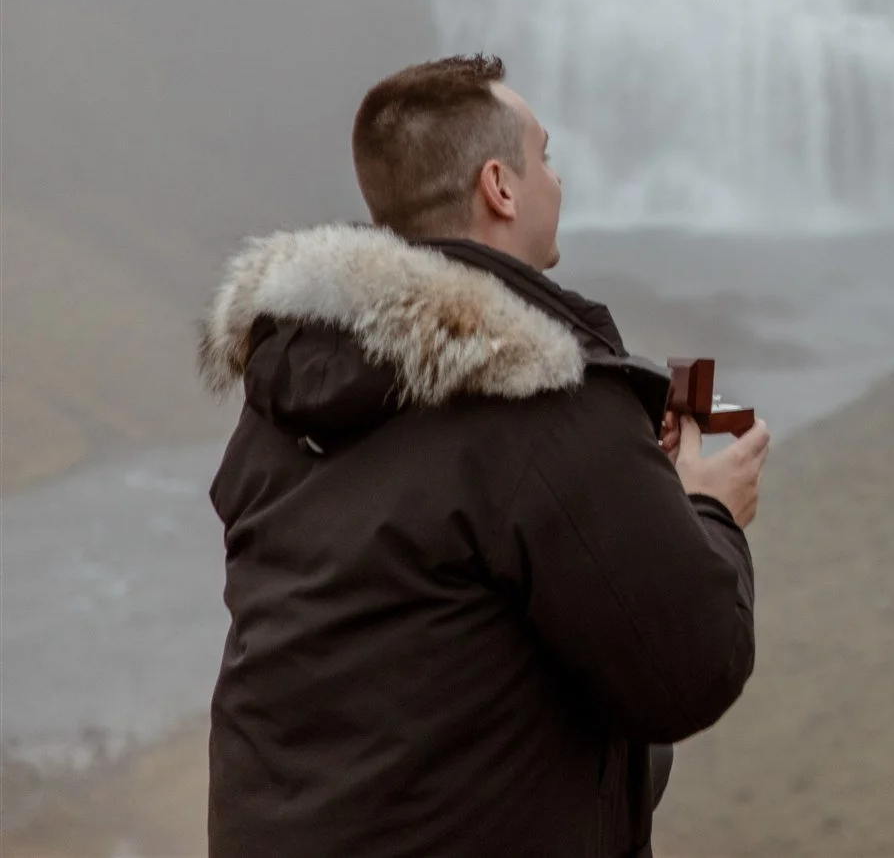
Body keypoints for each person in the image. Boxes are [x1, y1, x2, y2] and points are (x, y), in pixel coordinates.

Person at [199, 54, 769, 858]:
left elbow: (423, 639)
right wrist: (710, 508)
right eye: (547, 156)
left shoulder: (286, 392)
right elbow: (691, 665)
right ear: (500, 186)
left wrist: (623, 481)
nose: (558, 181)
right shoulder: (544, 406)